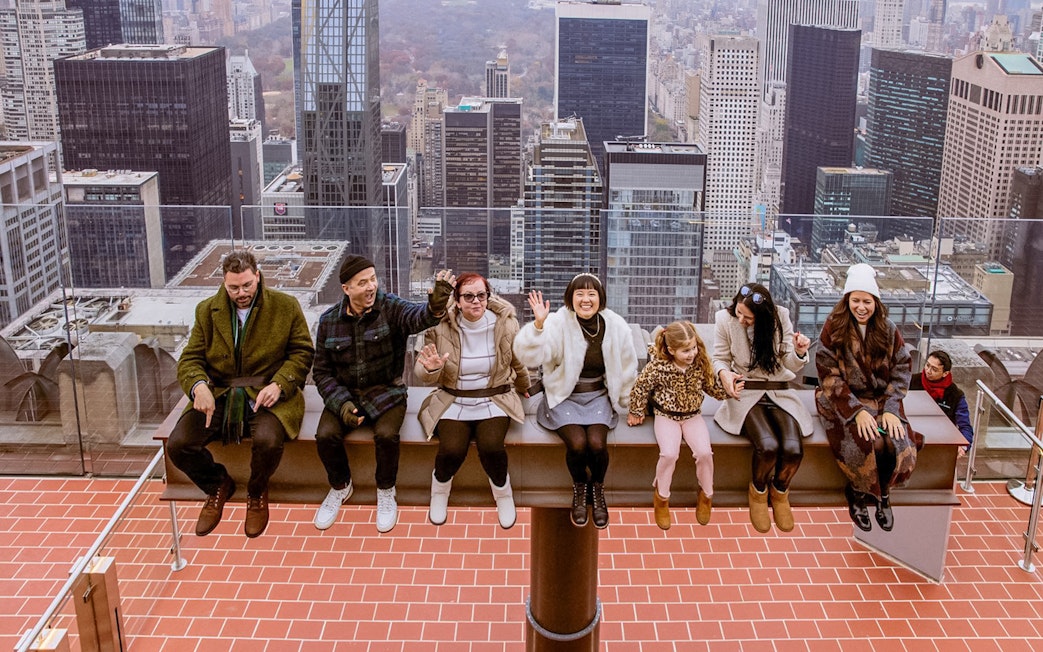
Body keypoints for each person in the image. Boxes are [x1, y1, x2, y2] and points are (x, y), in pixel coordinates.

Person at [169, 249, 314, 538]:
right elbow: (190, 359)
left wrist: (280, 384)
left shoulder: (285, 306)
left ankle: (257, 492)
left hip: (267, 391)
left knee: (268, 441)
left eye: (247, 285)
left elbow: (302, 352)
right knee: (179, 444)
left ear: (257, 277)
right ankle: (217, 485)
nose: (241, 292)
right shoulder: (206, 311)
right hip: (220, 392)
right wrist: (199, 387)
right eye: (234, 287)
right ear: (224, 283)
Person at [312, 256, 454, 533]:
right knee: (326, 436)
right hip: (345, 394)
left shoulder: (390, 307)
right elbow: (321, 372)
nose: (370, 287)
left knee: (386, 435)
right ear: (346, 289)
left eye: (373, 279)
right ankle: (340, 485)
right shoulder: (328, 321)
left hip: (386, 392)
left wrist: (436, 305)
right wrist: (341, 404)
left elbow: (418, 317)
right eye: (362, 283)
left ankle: (386, 490)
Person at [513, 273, 638, 529]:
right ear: (570, 298)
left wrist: (631, 404)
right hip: (564, 395)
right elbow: (530, 355)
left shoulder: (615, 326)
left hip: (598, 396)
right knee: (578, 444)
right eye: (579, 293)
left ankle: (598, 490)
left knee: (597, 444)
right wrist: (538, 326)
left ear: (600, 298)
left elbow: (627, 368)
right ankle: (580, 488)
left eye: (591, 293)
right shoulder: (558, 323)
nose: (585, 299)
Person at [414, 273, 530, 529]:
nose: (476, 301)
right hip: (453, 399)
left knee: (491, 446)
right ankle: (440, 491)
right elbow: (421, 374)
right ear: (457, 301)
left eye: (481, 295)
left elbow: (517, 359)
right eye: (468, 296)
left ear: (488, 297)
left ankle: (503, 494)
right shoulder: (438, 326)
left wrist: (525, 386)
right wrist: (432, 368)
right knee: (452, 449)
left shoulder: (505, 324)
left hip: (494, 398)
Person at [815, 263, 920, 533]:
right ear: (846, 300)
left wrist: (892, 408)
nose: (861, 307)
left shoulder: (887, 329)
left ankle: (884, 494)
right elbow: (829, 375)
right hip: (842, 399)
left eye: (867, 301)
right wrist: (856, 411)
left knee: (892, 441)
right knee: (865, 440)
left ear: (876, 302)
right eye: (855, 300)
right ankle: (858, 492)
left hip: (881, 398)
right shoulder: (834, 327)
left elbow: (902, 369)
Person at [712, 283, 815, 533]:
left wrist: (800, 352)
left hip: (779, 389)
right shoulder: (724, 320)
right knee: (767, 446)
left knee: (792, 448)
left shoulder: (780, 317)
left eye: (748, 317)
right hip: (746, 391)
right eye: (739, 313)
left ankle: (780, 491)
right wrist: (724, 374)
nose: (741, 320)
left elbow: (788, 361)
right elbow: (719, 358)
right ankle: (758, 492)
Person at [627, 321, 729, 530]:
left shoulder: (699, 364)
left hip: (692, 416)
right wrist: (636, 411)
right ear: (671, 350)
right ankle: (662, 497)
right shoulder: (658, 366)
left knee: (704, 453)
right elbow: (641, 386)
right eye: (685, 351)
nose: (691, 354)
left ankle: (706, 494)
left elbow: (711, 388)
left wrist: (729, 389)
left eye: (693, 348)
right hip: (666, 415)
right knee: (669, 454)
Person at [910, 350, 974, 449]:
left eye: (934, 369)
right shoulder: (910, 381)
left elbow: (965, 426)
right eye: (927, 365)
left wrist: (963, 447)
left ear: (945, 373)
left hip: (941, 442)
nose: (928, 371)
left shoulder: (955, 394)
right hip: (911, 438)